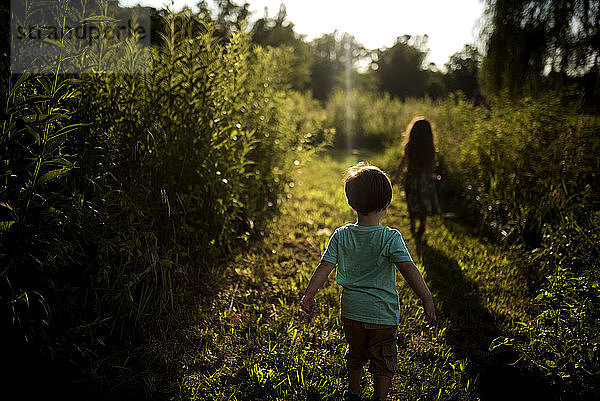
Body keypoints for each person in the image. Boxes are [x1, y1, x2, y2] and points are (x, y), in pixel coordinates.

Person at [300, 163, 436, 401]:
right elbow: (408, 269)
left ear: (352, 205)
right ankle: (379, 398)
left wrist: (310, 293)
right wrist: (427, 297)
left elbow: (325, 266)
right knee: (383, 359)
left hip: (352, 312)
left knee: (355, 354)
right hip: (383, 314)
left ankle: (353, 393)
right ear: (386, 204)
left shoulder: (341, 235)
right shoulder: (390, 238)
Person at [391, 117, 441, 238]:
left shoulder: (410, 147)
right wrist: (433, 176)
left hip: (412, 179)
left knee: (411, 202)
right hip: (425, 181)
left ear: (412, 132)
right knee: (423, 203)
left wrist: (395, 179)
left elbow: (402, 164)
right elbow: (431, 166)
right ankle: (422, 225)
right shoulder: (430, 149)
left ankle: (412, 226)